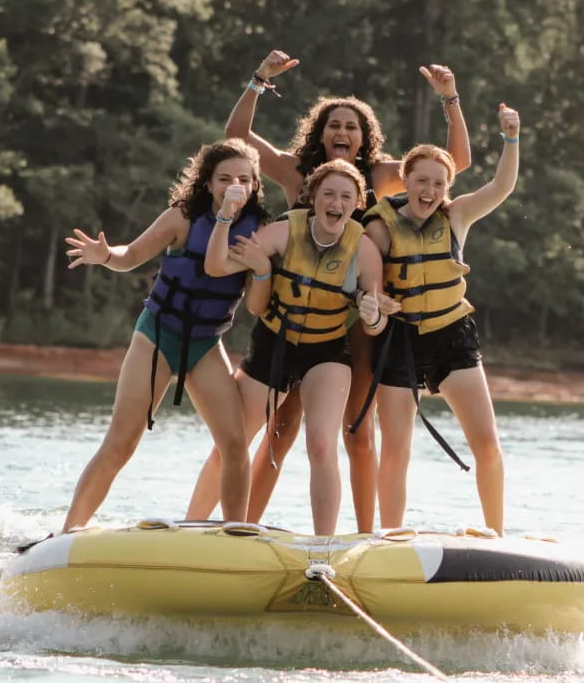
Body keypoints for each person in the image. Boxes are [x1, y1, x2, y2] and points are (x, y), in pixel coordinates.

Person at [186, 49, 471, 532]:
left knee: (355, 431)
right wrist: (259, 79)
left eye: (352, 126)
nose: (342, 133)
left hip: (354, 320)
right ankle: (237, 529)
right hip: (291, 313)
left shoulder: (381, 175)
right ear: (320, 132)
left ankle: (364, 537)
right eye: (334, 125)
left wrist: (450, 99)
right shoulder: (297, 171)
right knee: (277, 430)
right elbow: (236, 136)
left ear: (366, 137)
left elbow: (453, 163)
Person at [60, 138, 272, 533]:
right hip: (158, 335)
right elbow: (132, 256)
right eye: (224, 178)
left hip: (207, 343)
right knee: (122, 442)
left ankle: (236, 534)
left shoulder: (259, 230)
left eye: (244, 178)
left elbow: (259, 298)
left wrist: (262, 267)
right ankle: (67, 533)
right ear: (208, 183)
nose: (234, 185)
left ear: (256, 184)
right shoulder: (183, 217)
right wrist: (105, 255)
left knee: (235, 445)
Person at [201, 159, 390, 535]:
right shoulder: (283, 232)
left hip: (326, 351)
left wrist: (371, 316)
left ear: (356, 204)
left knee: (321, 444)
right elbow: (218, 265)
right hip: (274, 343)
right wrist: (227, 223)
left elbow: (377, 322)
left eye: (346, 196)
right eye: (328, 193)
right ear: (313, 198)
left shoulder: (364, 251)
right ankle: (192, 525)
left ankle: (324, 547)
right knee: (232, 441)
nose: (336, 202)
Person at [362, 103, 521, 537]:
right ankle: (392, 538)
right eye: (421, 181)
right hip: (399, 343)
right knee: (395, 449)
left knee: (487, 444)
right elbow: (364, 278)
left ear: (447, 187)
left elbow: (502, 187)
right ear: (406, 181)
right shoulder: (379, 225)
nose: (429, 190)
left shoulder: (457, 216)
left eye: (438, 183)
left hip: (453, 339)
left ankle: (496, 534)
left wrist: (511, 138)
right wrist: (373, 300)